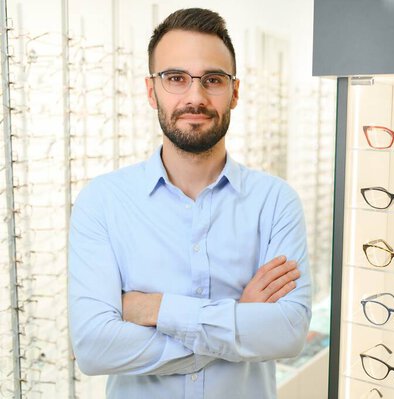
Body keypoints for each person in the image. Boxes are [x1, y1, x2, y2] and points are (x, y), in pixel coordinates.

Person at [68, 8, 311, 399]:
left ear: (234, 91)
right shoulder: (103, 202)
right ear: (152, 91)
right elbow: (95, 349)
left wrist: (156, 310)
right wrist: (239, 319)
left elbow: (287, 333)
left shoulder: (275, 202)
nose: (195, 97)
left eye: (212, 80)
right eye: (176, 78)